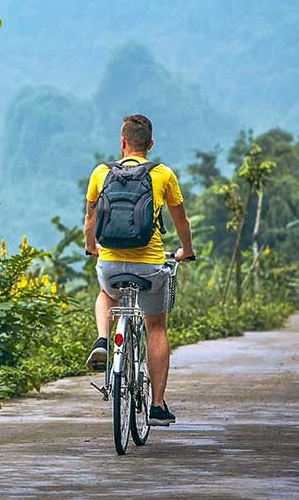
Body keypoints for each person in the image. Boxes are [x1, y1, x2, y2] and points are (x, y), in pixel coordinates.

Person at [83, 113, 194, 426]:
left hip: (111, 263)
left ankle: (104, 340)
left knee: (106, 293)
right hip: (149, 267)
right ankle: (157, 405)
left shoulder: (101, 172)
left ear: (122, 143)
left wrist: (92, 247)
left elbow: (90, 221)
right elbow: (181, 221)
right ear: (151, 144)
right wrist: (186, 250)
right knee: (156, 326)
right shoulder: (163, 175)